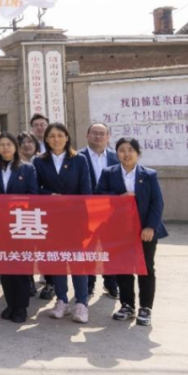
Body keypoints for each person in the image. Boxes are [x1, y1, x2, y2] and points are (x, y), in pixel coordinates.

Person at [96, 137, 168, 326]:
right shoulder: (109, 173)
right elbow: (99, 195)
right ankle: (127, 305)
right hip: (119, 230)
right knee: (123, 267)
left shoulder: (149, 174)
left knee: (145, 268)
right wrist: (119, 197)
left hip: (144, 230)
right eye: (122, 150)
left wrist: (150, 226)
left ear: (138, 153)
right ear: (116, 153)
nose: (126, 154)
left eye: (130, 150)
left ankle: (146, 308)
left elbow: (157, 202)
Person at [34, 122, 93, 324]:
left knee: (77, 261)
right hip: (51, 219)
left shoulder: (79, 159)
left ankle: (81, 303)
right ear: (46, 139)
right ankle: (61, 300)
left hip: (75, 218)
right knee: (57, 259)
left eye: (60, 135)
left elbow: (86, 189)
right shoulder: (39, 161)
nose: (56, 139)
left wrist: (83, 218)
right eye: (52, 136)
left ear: (67, 137)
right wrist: (50, 195)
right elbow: (35, 189)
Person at [0, 132, 39, 324]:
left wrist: (14, 207)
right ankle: (10, 304)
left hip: (21, 224)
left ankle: (21, 307)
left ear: (16, 147)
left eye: (9, 144)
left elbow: (33, 195)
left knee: (21, 267)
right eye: (1, 145)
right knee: (5, 266)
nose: (5, 148)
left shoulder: (28, 168)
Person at [80, 121, 121, 298]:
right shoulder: (77, 157)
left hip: (110, 212)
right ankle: (88, 284)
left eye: (102, 133)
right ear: (87, 135)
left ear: (108, 137)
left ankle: (111, 283)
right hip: (85, 212)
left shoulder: (116, 157)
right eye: (94, 133)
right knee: (87, 249)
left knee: (110, 248)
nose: (98, 136)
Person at [17, 130, 46, 299]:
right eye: (23, 142)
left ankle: (48, 280)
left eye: (30, 142)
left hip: (42, 211)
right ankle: (28, 279)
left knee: (42, 247)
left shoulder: (42, 161)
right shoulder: (14, 164)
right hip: (21, 213)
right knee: (25, 248)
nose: (27, 145)